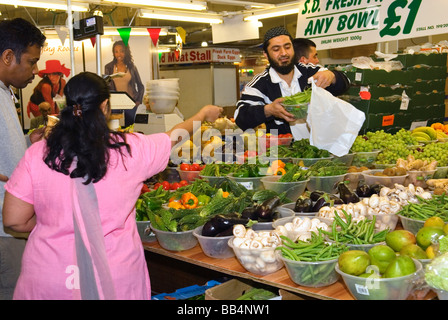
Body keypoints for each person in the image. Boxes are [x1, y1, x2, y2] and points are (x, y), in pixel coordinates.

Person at [2, 71, 222, 300]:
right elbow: (173, 137)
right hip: (112, 279)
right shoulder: (130, 149)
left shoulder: (39, 153)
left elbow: (13, 219)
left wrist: (57, 220)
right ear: (105, 105)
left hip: (49, 279)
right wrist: (203, 114)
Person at [234, 26, 350, 141]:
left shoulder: (309, 72)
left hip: (321, 148)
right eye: (276, 49)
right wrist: (269, 110)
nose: (284, 53)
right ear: (266, 54)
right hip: (283, 154)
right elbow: (240, 117)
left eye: (287, 47)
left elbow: (345, 82)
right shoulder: (259, 84)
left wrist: (332, 76)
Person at [0, 17, 46, 300]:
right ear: (8, 57)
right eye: (31, 61)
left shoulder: (6, 92)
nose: (36, 70)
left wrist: (27, 142)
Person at [104, 41, 144, 128]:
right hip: (115, 105)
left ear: (126, 52)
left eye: (121, 51)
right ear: (113, 53)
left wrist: (138, 101)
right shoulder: (109, 67)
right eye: (116, 51)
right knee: (115, 129)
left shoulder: (131, 67)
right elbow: (106, 86)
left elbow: (141, 86)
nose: (119, 54)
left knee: (130, 128)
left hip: (130, 103)